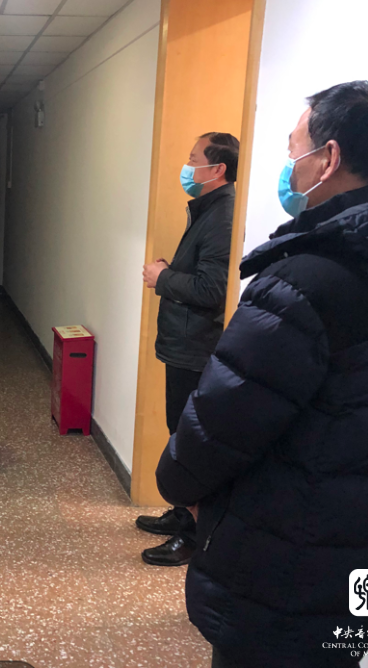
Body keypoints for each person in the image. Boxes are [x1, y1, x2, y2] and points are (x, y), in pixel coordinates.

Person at [156, 81, 368, 668]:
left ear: (328, 159)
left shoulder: (304, 281)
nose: (288, 165)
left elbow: (224, 419)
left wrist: (178, 482)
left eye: (293, 148)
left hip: (291, 549)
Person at [138, 132, 239, 566]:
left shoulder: (223, 214)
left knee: (193, 443)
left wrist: (162, 278)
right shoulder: (207, 209)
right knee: (179, 433)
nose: (187, 165)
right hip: (184, 344)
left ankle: (193, 535)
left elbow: (213, 288)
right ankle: (182, 513)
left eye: (194, 158)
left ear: (217, 169)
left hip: (198, 347)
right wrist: (171, 271)